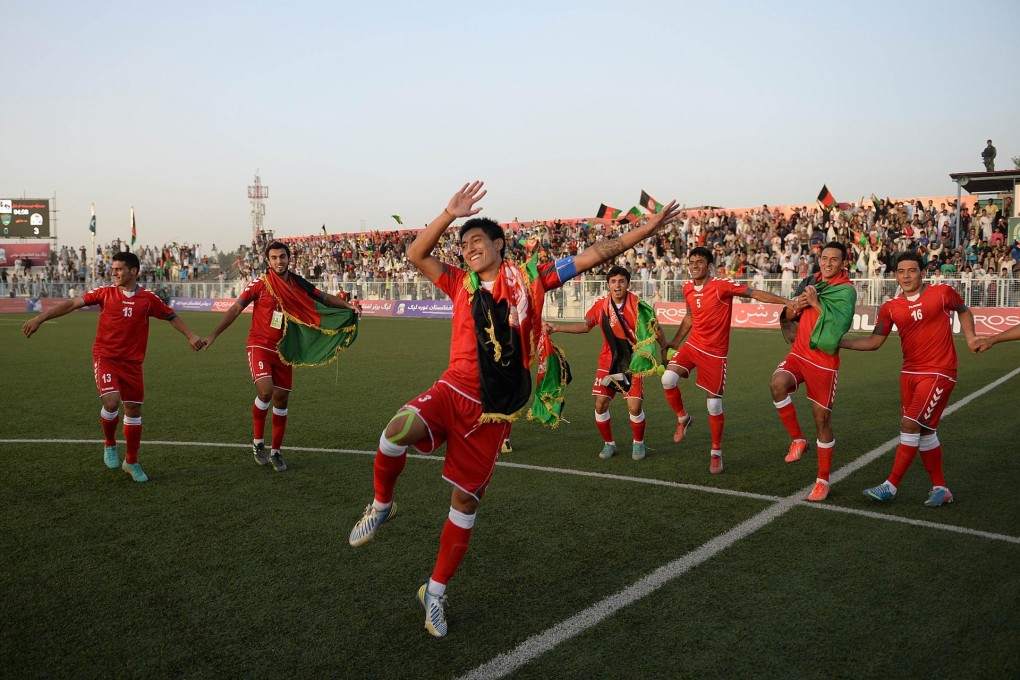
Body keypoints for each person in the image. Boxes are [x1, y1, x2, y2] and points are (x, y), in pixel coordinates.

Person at [347, 181, 680, 638]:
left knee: (464, 506)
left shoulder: (531, 279)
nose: (467, 250)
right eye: (463, 245)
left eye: (476, 240)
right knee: (395, 429)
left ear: (500, 244)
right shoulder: (458, 283)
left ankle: (435, 592)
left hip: (493, 413)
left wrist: (648, 227)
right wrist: (448, 214)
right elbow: (415, 255)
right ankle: (382, 504)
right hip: (452, 389)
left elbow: (599, 253)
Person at [21, 251, 204, 482]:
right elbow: (71, 304)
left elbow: (171, 316)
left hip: (133, 364)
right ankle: (109, 444)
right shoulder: (104, 293)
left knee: (134, 411)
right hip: (106, 358)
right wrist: (39, 319)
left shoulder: (148, 299)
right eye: (113, 268)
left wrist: (190, 335)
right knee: (111, 401)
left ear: (133, 271)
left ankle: (131, 461)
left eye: (119, 269)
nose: (114, 272)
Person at [202, 241, 361, 472]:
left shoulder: (297, 282)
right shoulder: (260, 283)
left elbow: (323, 297)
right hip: (259, 345)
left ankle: (276, 451)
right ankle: (258, 443)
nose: (279, 261)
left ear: (289, 258)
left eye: (282, 257)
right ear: (268, 261)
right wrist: (213, 335)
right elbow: (237, 308)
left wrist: (348, 307)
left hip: (283, 350)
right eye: (274, 258)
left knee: (281, 399)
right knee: (266, 391)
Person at [840, 252, 977, 507]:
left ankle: (890, 486)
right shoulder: (891, 308)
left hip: (939, 371)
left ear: (922, 272)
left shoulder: (942, 292)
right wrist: (838, 343)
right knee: (925, 431)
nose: (906, 275)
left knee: (910, 423)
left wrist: (970, 337)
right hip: (909, 374)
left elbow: (964, 311)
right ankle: (941, 489)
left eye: (912, 270)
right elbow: (873, 341)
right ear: (895, 275)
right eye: (901, 271)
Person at [661, 247, 795, 473]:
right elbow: (690, 316)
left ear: (709, 266)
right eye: (691, 262)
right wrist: (675, 342)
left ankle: (716, 452)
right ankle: (683, 418)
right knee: (667, 379)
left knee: (713, 405)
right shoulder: (687, 288)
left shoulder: (722, 285)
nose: (694, 265)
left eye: (699, 262)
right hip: (693, 346)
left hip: (715, 353)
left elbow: (754, 293)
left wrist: (785, 301)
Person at [544, 266, 668, 461]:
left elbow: (656, 328)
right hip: (608, 360)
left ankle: (638, 443)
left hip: (632, 361)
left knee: (634, 407)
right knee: (601, 404)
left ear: (628, 284)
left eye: (621, 281)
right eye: (613, 281)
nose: (617, 285)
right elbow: (586, 326)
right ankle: (609, 443)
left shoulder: (638, 305)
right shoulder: (601, 305)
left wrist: (663, 348)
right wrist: (557, 327)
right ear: (608, 284)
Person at [770, 241, 857, 502]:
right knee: (777, 384)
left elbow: (839, 324)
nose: (828, 263)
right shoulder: (810, 280)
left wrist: (816, 303)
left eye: (834, 260)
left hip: (824, 360)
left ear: (843, 263)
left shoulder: (846, 290)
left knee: (822, 420)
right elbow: (791, 311)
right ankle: (798, 439)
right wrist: (792, 308)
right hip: (799, 352)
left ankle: (822, 480)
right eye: (824, 258)